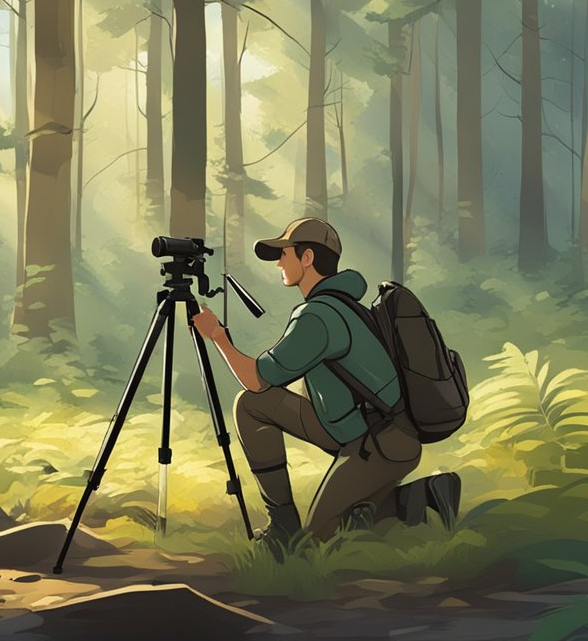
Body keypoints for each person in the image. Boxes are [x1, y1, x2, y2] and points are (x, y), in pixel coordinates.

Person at [192, 217, 459, 549]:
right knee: (251, 406)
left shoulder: (318, 316)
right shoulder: (338, 305)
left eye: (284, 254)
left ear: (307, 258)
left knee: (318, 542)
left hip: (381, 444)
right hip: (351, 427)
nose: (279, 263)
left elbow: (258, 379)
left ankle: (422, 499)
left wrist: (217, 336)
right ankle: (283, 525)